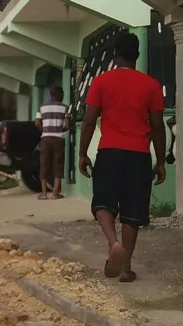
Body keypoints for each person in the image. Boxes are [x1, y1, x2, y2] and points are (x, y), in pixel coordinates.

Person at [79, 33, 166, 283]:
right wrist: (160, 161)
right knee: (133, 212)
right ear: (137, 56)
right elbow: (158, 126)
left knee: (103, 202)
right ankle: (126, 268)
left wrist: (83, 153)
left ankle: (113, 243)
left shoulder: (101, 82)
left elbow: (88, 120)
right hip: (138, 155)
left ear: (115, 56)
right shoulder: (151, 85)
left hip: (109, 151)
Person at [35, 86, 70, 200]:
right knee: (58, 164)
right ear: (59, 94)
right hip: (58, 139)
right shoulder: (65, 108)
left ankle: (44, 194)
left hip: (45, 139)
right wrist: (60, 130)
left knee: (44, 164)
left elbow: (37, 123)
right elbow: (68, 125)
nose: (63, 96)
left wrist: (45, 130)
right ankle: (55, 193)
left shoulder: (42, 107)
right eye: (62, 94)